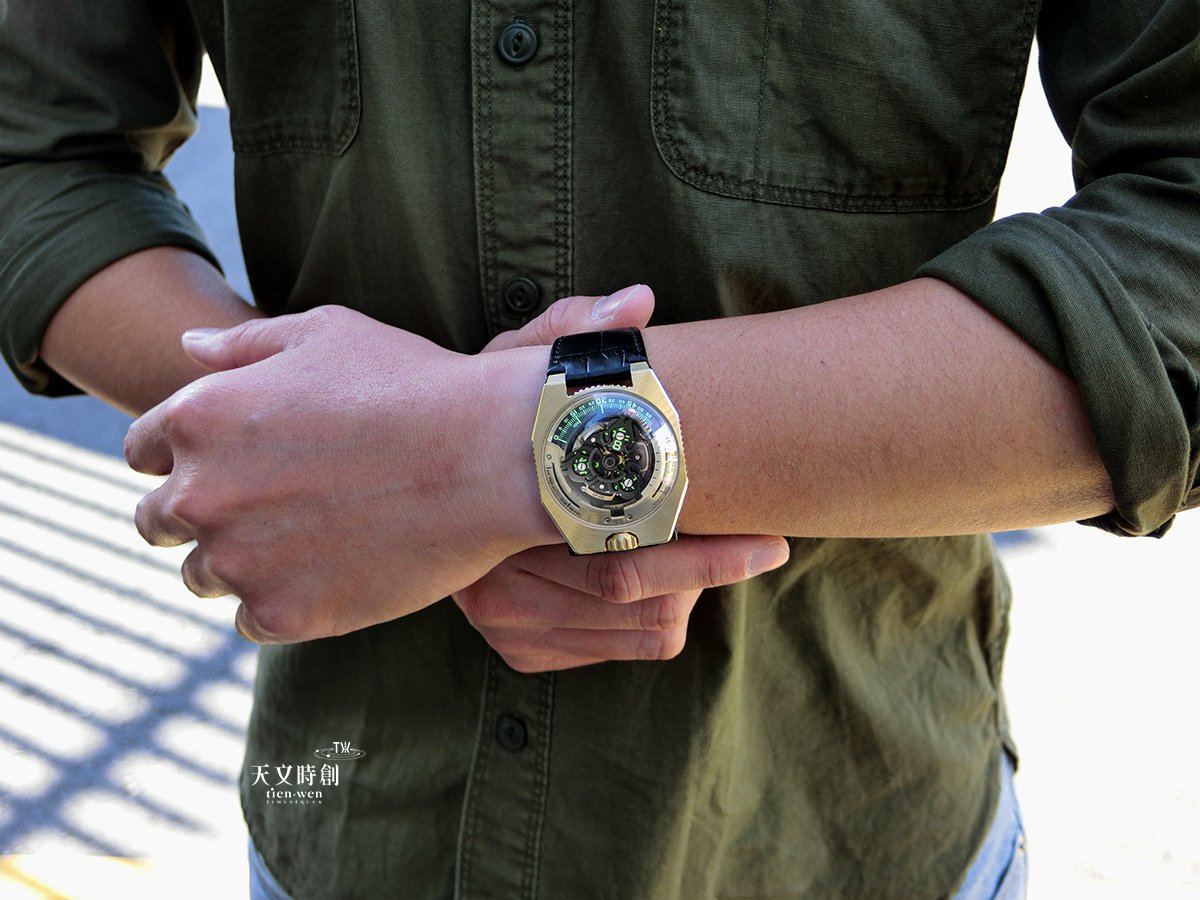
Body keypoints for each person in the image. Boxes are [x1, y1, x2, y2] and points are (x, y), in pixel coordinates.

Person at [2, 2, 1197, 897]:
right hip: (359, 820)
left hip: (845, 823)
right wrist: (338, 450)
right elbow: (32, 153)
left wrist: (486, 458)